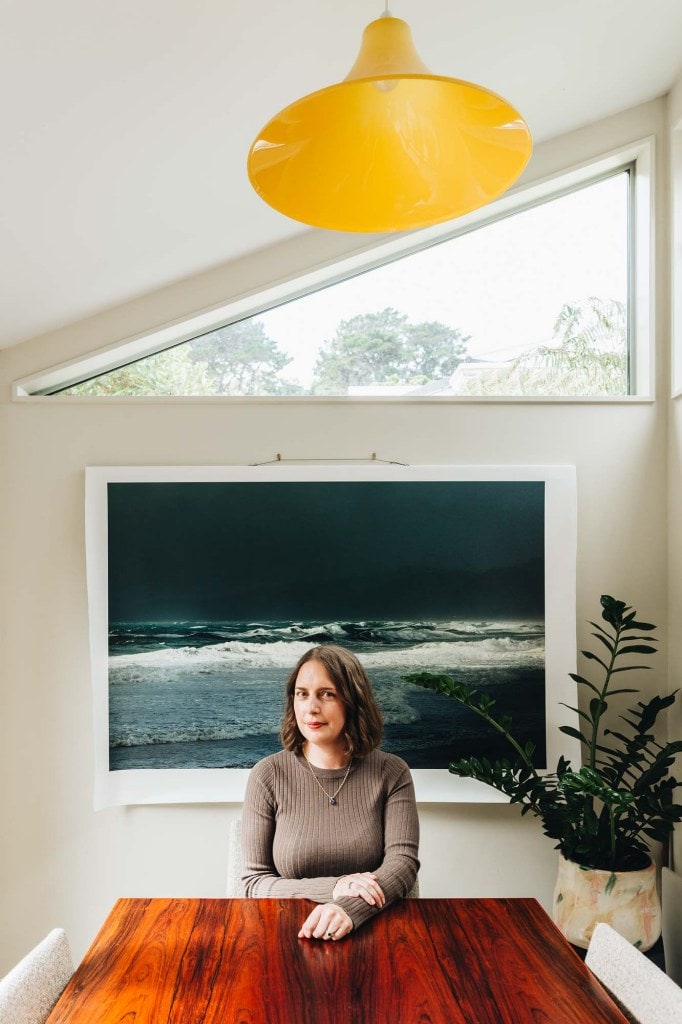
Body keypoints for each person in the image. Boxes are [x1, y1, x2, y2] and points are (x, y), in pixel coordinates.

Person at [241, 644, 420, 941]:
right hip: (286, 934)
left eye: (326, 694)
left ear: (353, 701)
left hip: (375, 933)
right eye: (302, 693)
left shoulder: (392, 772)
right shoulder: (267, 775)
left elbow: (403, 864)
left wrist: (349, 909)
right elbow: (253, 883)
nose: (311, 707)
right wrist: (335, 887)